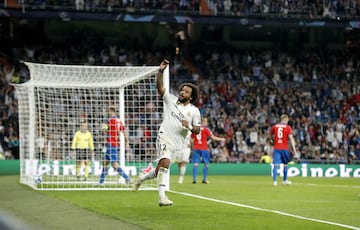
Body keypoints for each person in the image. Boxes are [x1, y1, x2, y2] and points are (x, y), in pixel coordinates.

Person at [133, 59, 201, 207]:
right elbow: (161, 88)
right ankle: (162, 197)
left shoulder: (195, 111)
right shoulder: (171, 100)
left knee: (160, 169)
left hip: (178, 144)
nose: (183, 92)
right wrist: (160, 71)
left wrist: (188, 126)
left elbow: (197, 130)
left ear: (191, 96)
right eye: (182, 90)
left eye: (187, 91)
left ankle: (142, 178)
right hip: (164, 136)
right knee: (165, 163)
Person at [99, 106, 131, 185]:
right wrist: (127, 142)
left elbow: (104, 128)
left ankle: (127, 178)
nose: (108, 113)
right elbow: (124, 132)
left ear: (112, 111)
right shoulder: (119, 121)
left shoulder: (111, 120)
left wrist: (103, 126)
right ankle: (101, 182)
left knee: (114, 165)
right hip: (113, 144)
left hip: (111, 144)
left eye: (109, 111)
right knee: (105, 163)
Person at [191, 117, 225, 184]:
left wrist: (192, 147)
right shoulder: (206, 129)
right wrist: (221, 139)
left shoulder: (195, 129)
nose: (206, 123)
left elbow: (191, 139)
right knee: (206, 164)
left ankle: (194, 179)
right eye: (206, 122)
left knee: (195, 164)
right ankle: (204, 179)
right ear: (203, 122)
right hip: (204, 148)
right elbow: (213, 137)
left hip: (196, 148)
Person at [269, 114, 297, 186]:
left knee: (275, 164)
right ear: (285, 119)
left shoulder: (275, 126)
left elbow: (270, 135)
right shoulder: (288, 127)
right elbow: (291, 138)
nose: (287, 121)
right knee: (285, 164)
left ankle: (275, 182)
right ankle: (285, 180)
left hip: (277, 148)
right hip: (284, 148)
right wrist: (294, 149)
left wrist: (273, 140)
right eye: (287, 120)